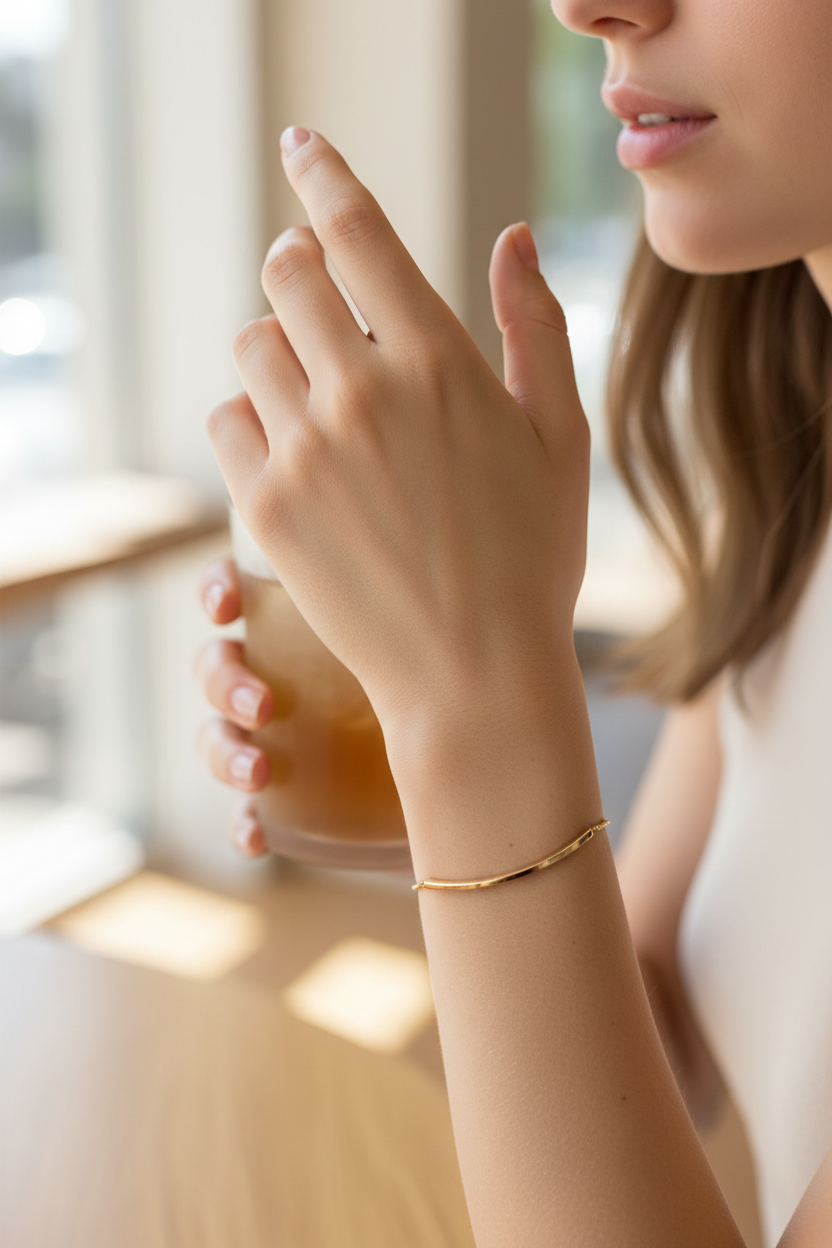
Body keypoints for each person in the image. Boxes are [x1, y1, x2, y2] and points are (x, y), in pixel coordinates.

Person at [194, 0, 832, 1243]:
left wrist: (471, 715)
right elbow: (662, 1014)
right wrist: (436, 759)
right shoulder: (793, 497)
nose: (588, 3)